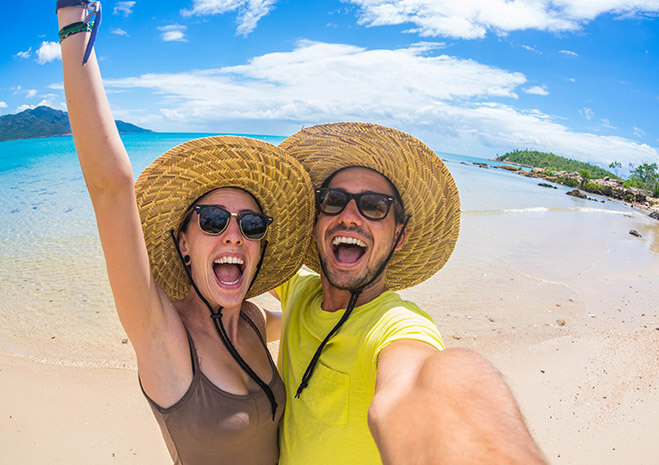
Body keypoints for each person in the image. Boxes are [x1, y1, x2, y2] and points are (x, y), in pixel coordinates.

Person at [56, 3, 314, 464]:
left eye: (250, 225)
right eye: (213, 220)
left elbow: (303, 320)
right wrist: (74, 21)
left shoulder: (254, 320)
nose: (233, 234)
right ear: (183, 244)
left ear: (259, 246)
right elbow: (111, 189)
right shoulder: (166, 339)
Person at [274, 122, 548, 465]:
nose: (349, 216)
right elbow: (247, 263)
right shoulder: (298, 291)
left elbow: (417, 386)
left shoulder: (397, 326)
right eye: (334, 201)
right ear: (316, 223)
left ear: (399, 236)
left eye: (373, 206)